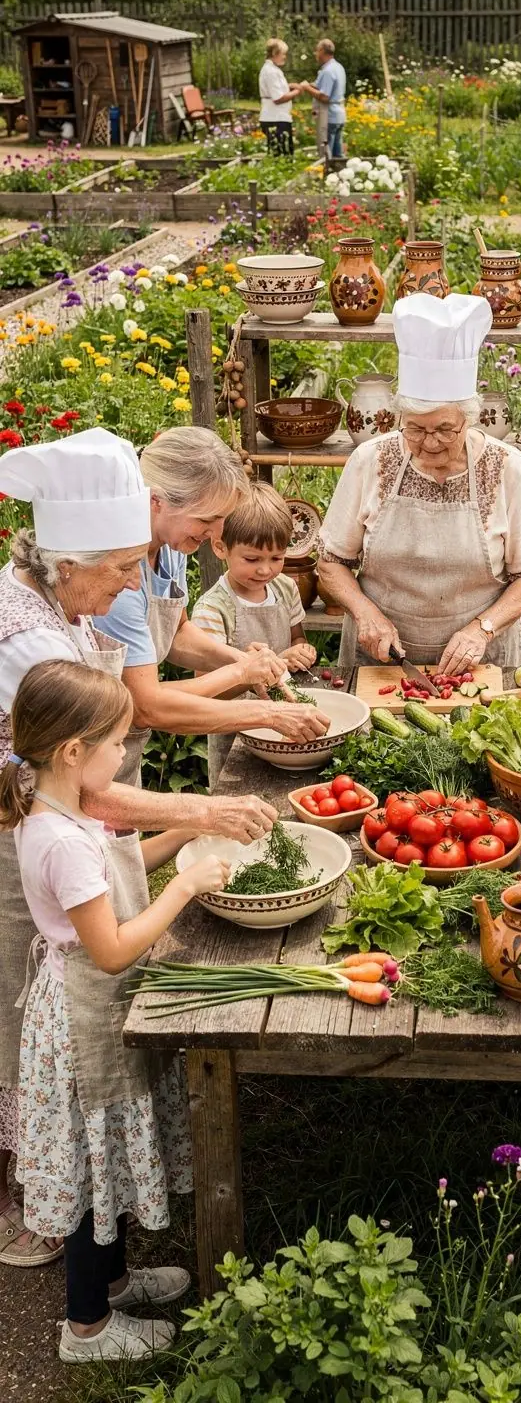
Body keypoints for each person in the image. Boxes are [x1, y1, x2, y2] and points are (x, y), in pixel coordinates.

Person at [0, 429, 278, 1270]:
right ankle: (38, 1208)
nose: (135, 579)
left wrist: (182, 826)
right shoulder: (28, 639)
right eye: (120, 567)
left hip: (62, 836)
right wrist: (201, 814)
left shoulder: (62, 602)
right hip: (23, 844)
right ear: (68, 561)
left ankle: (55, 1200)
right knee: (19, 1015)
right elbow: (82, 782)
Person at [1, 660, 231, 1361]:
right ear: (75, 752)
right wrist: (185, 887)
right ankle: (86, 1328)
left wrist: (184, 839)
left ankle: (117, 1281)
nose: (124, 757)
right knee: (87, 1177)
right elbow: (111, 947)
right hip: (84, 1019)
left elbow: (115, 875)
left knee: (106, 1164)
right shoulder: (62, 839)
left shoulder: (62, 814)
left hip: (84, 1011)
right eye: (117, 745)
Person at [317, 293, 521, 673]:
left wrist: (483, 629)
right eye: (415, 429)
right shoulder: (370, 461)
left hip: (480, 663)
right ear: (399, 419)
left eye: (445, 429)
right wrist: (365, 613)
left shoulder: (508, 467)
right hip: (381, 662)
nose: (430, 442)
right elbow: (331, 562)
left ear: (470, 418)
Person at [94, 426, 329, 792]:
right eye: (206, 519)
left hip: (118, 749)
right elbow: (146, 705)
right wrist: (256, 696)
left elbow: (176, 633)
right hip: (83, 745)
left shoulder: (170, 547)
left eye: (220, 518)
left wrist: (244, 662)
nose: (216, 531)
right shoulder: (118, 576)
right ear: (157, 501)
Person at [192, 481, 318, 784]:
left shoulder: (285, 588)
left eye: (276, 558)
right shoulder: (213, 609)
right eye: (252, 559)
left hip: (286, 724)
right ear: (221, 547)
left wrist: (302, 650)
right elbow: (206, 690)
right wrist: (265, 667)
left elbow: (296, 638)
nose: (265, 570)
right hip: (236, 734)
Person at [298, 37, 346, 161]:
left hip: (329, 116)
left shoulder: (328, 71)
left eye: (317, 51)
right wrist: (305, 85)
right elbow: (320, 85)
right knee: (337, 153)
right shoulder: (337, 67)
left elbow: (325, 96)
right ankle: (339, 174)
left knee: (326, 153)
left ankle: (327, 176)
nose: (315, 54)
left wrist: (306, 88)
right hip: (339, 114)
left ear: (322, 51)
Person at [258, 38, 299, 155]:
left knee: (283, 152)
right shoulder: (271, 72)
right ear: (275, 53)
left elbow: (276, 89)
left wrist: (291, 85)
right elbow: (278, 98)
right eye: (283, 54)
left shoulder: (272, 70)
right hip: (275, 118)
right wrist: (298, 91)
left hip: (278, 117)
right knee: (283, 154)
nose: (284, 57)